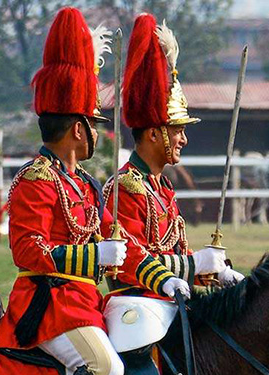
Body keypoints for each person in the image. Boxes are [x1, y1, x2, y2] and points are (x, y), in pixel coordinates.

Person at [0, 8, 186, 375]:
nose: (99, 132)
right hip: (49, 305)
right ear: (78, 130)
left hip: (83, 306)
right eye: (94, 124)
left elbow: (121, 253)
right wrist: (91, 255)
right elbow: (27, 250)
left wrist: (163, 278)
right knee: (106, 369)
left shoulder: (84, 183)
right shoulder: (38, 178)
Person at [104, 14, 244, 304]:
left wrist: (215, 272)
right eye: (177, 131)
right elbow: (129, 260)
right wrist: (195, 264)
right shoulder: (125, 187)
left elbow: (175, 256)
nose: (184, 139)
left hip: (170, 300)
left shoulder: (162, 187)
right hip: (137, 305)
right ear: (154, 135)